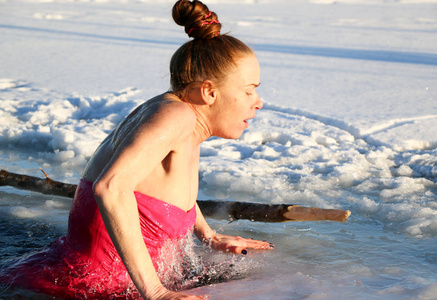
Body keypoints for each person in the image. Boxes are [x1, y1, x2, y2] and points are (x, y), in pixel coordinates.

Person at [0, 0, 272, 299]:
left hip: (99, 283)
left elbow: (169, 194)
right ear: (209, 92)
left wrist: (209, 236)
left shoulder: (177, 114)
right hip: (84, 291)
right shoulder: (176, 117)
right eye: (249, 90)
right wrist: (155, 291)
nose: (257, 101)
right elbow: (111, 187)